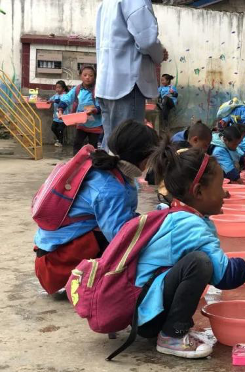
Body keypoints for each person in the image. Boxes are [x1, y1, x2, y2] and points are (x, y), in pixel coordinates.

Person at [136, 146, 245, 358]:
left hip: (146, 308)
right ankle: (172, 334)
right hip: (146, 314)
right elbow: (225, 277)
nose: (225, 193)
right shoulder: (189, 224)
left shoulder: (178, 213)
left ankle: (171, 327)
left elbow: (219, 267)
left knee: (202, 262)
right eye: (220, 187)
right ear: (199, 192)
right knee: (199, 263)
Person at [34, 120, 159, 294]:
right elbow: (121, 238)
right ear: (146, 158)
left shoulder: (106, 170)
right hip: (56, 267)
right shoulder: (111, 187)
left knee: (135, 228)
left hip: (51, 256)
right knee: (133, 244)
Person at [96, 0, 168, 147]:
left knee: (111, 146)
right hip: (127, 84)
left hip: (107, 84)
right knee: (128, 147)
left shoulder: (106, 3)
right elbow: (147, 40)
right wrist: (159, 54)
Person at [57, 66, 103, 155]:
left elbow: (102, 106)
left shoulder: (98, 90)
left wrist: (93, 110)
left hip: (95, 125)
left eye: (91, 75)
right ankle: (76, 161)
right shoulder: (77, 89)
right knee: (77, 145)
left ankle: (92, 163)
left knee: (93, 148)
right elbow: (66, 99)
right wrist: (60, 110)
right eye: (85, 75)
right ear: (80, 76)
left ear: (95, 77)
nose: (87, 77)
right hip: (81, 124)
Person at [47, 80, 69, 147]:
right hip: (56, 116)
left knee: (60, 129)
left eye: (59, 87)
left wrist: (53, 101)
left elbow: (59, 101)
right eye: (56, 87)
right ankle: (59, 139)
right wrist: (47, 101)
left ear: (63, 88)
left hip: (63, 116)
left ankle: (60, 142)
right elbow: (50, 99)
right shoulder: (55, 95)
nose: (57, 89)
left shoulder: (65, 95)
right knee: (53, 128)